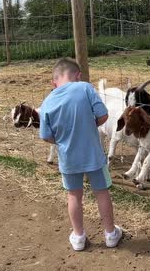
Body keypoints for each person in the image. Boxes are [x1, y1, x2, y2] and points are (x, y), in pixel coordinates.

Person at [39, 57, 122, 251]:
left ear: (54, 81)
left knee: (74, 195)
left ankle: (78, 237)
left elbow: (45, 135)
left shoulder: (47, 101)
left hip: (68, 159)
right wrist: (88, 128)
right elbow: (103, 115)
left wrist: (62, 140)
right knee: (102, 192)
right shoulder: (84, 88)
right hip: (94, 156)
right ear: (78, 75)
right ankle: (111, 234)